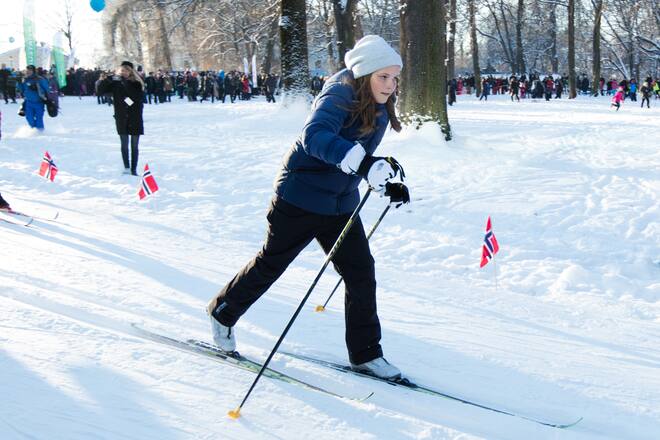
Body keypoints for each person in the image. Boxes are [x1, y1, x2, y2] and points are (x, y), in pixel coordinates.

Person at [206, 35, 411, 380]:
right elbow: (314, 136)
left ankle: (366, 354)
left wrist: (384, 178)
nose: (390, 85)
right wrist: (363, 166)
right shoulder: (339, 93)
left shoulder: (375, 102)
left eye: (394, 78)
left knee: (361, 272)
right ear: (364, 74)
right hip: (299, 198)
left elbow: (358, 152)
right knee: (271, 264)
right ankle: (222, 313)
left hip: (339, 204)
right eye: (383, 77)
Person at [97, 61, 145, 175]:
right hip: (121, 117)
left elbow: (134, 99)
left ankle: (133, 168)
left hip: (134, 117)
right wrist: (106, 79)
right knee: (124, 145)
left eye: (126, 71)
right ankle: (126, 167)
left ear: (131, 72)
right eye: (122, 71)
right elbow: (100, 91)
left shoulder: (136, 83)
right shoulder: (116, 83)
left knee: (134, 145)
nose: (123, 73)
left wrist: (124, 84)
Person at [18, 65, 49, 131]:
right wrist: (19, 83)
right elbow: (22, 90)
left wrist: (37, 89)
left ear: (34, 71)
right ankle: (34, 129)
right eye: (27, 70)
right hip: (28, 102)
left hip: (39, 102)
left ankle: (40, 132)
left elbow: (47, 89)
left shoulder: (40, 79)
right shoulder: (25, 79)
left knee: (39, 118)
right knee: (29, 118)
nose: (28, 72)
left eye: (30, 70)